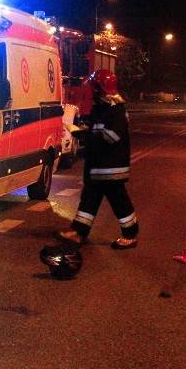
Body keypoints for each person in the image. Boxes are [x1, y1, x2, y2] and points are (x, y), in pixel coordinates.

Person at [55, 69, 139, 250]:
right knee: (89, 199)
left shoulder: (115, 108)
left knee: (119, 201)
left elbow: (113, 135)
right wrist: (87, 130)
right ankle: (79, 232)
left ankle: (130, 235)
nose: (92, 91)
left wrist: (89, 134)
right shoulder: (104, 107)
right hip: (100, 166)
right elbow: (100, 130)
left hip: (110, 167)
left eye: (95, 88)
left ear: (102, 88)